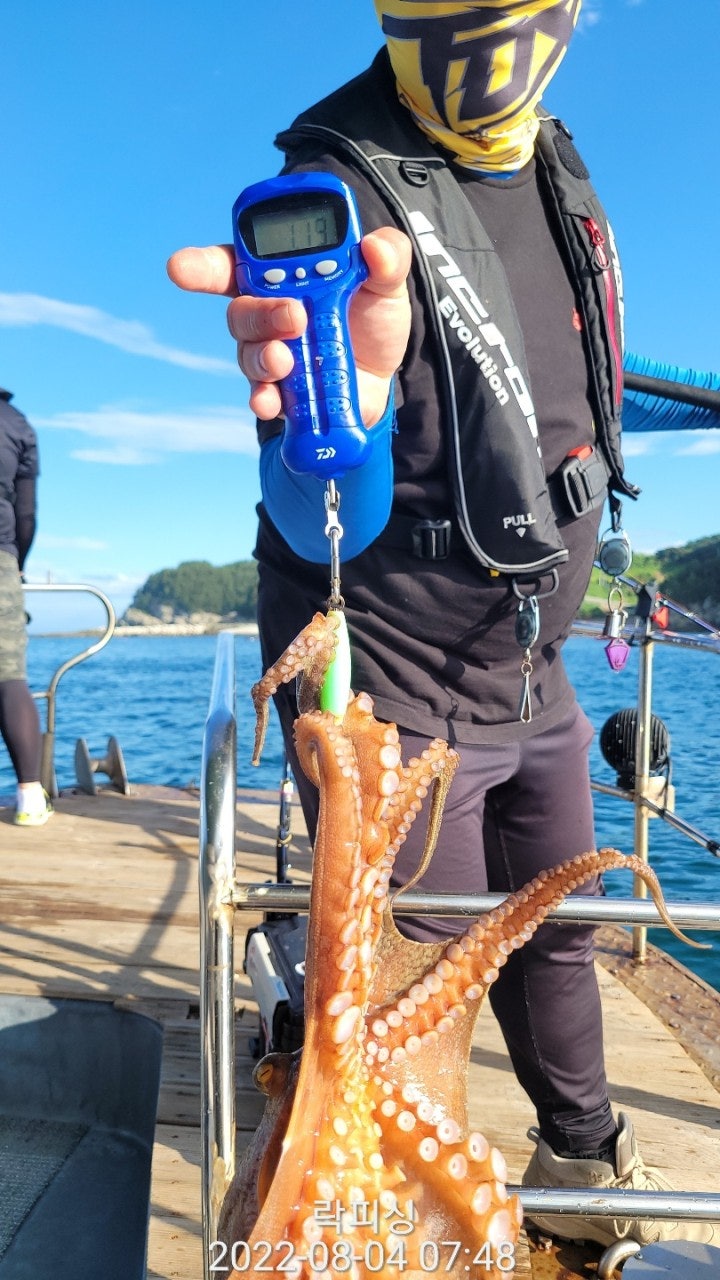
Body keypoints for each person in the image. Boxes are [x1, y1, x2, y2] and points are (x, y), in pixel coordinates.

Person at [168, 1, 717, 1249]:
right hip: (399, 675)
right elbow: (311, 499)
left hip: (535, 667)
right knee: (418, 983)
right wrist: (343, 424)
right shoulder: (338, 190)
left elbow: (570, 404)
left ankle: (585, 1170)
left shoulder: (556, 166)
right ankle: (414, 1237)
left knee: (563, 932)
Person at [0, 387, 52, 827]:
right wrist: (17, 564)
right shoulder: (15, 424)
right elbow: (26, 513)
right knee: (8, 675)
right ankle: (31, 799)